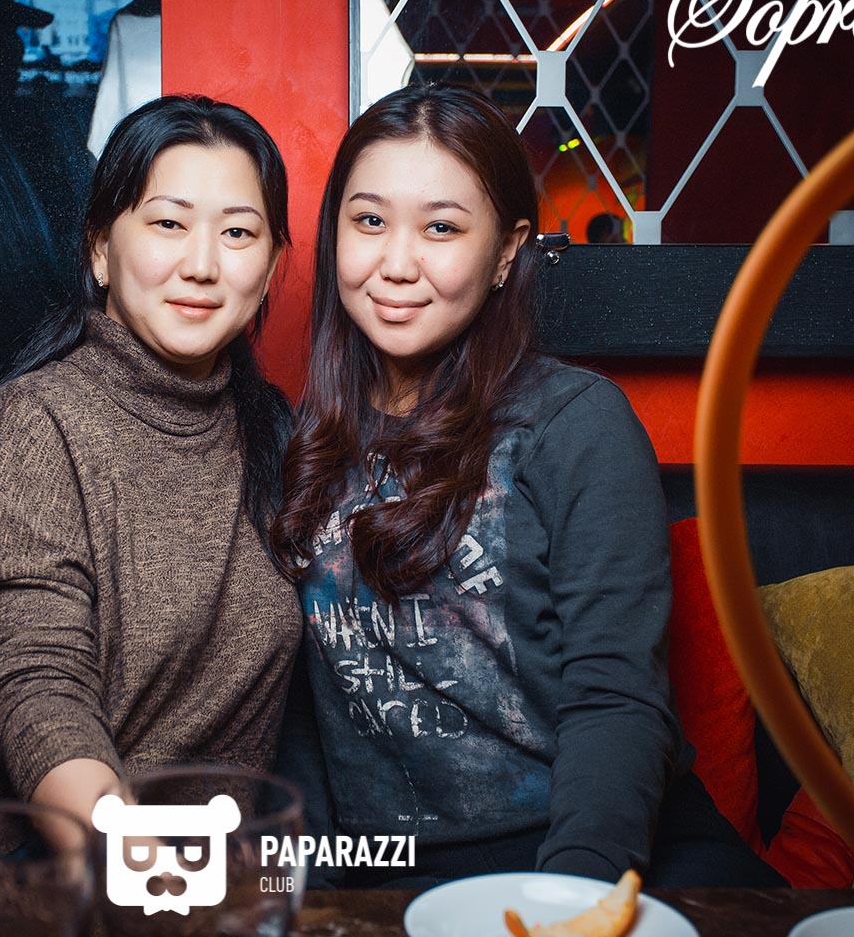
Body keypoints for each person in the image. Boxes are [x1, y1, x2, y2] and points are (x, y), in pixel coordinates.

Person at [270, 83, 784, 889]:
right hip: (394, 872)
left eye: (441, 228)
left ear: (507, 253)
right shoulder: (298, 445)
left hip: (601, 852)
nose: (396, 264)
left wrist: (572, 894)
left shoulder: (575, 423)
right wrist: (310, 891)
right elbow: (298, 712)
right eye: (369, 221)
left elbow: (617, 699)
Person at [0, 95, 302, 888]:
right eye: (168, 223)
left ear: (269, 269)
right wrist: (144, 874)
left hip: (196, 885)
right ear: (100, 250)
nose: (202, 263)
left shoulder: (272, 430)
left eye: (237, 232)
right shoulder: (33, 426)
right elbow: (39, 690)